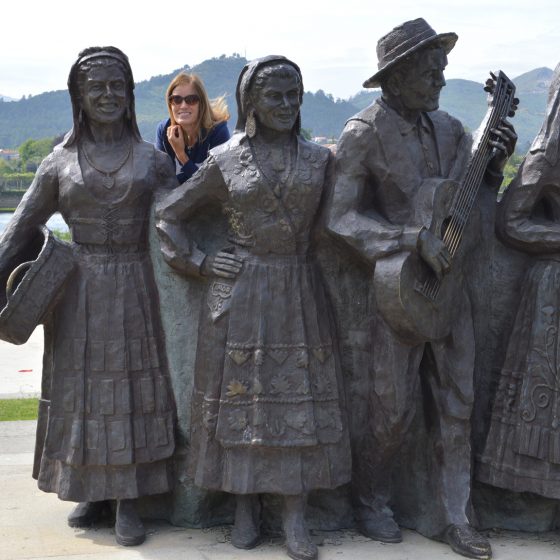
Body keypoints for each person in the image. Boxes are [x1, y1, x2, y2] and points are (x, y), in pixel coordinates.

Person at [326, 18, 516, 560]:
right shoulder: (362, 133)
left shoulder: (454, 129)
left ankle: (459, 517)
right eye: (430, 70)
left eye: (441, 69)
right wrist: (410, 239)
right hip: (399, 291)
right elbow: (340, 219)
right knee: (392, 408)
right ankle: (370, 499)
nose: (439, 78)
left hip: (452, 292)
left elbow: (472, 196)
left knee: (459, 403)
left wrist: (495, 162)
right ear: (396, 75)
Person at [156, 55, 351, 560]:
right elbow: (170, 216)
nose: (286, 105)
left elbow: (342, 223)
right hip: (239, 295)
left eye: (293, 95)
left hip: (299, 291)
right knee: (243, 407)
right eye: (274, 96)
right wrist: (199, 262)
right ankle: (243, 508)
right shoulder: (226, 161)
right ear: (251, 104)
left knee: (297, 407)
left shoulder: (319, 160)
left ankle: (294, 516)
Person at [0, 47, 178, 547]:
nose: (107, 94)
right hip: (75, 289)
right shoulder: (59, 161)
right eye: (95, 86)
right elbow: (21, 227)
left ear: (129, 93)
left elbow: (177, 224)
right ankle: (92, 489)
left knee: (129, 389)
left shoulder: (152, 160)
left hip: (134, 283)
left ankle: (129, 500)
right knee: (82, 391)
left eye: (116, 85)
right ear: (78, 95)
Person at [478, 63, 560, 501]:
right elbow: (512, 222)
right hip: (554, 290)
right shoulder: (548, 153)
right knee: (545, 400)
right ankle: (534, 499)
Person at [155, 72, 230, 183]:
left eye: (191, 100)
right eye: (176, 100)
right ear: (170, 104)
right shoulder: (164, 131)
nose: (183, 105)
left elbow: (215, 185)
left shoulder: (218, 132)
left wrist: (181, 155)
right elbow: (161, 181)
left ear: (202, 104)